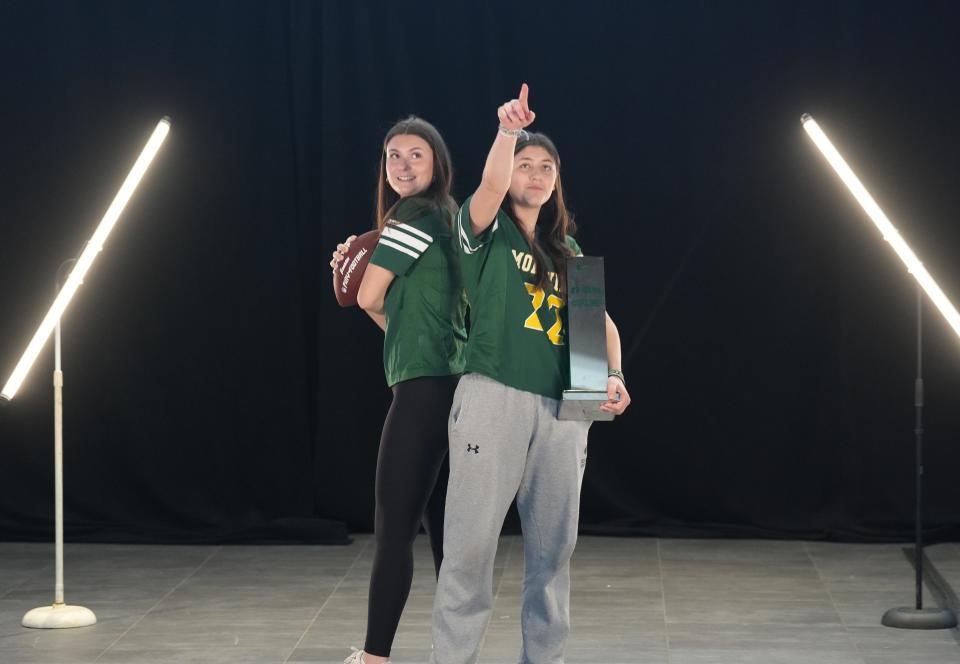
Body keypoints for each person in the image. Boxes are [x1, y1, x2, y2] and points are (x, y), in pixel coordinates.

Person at [429, 85, 631, 664]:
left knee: (553, 555)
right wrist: (508, 131)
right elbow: (490, 185)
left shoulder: (566, 249)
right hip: (493, 396)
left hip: (565, 413)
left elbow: (603, 329)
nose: (536, 174)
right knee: (469, 551)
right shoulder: (484, 230)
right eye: (526, 164)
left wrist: (613, 376)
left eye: (547, 167)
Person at [331, 116, 467, 664]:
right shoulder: (451, 217)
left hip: (423, 392)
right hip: (454, 387)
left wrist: (354, 274)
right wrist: (363, 276)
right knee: (445, 535)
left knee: (393, 528)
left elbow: (366, 298)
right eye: (393, 156)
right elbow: (402, 313)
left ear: (436, 163)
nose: (403, 165)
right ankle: (455, 651)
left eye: (416, 154)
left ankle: (373, 659)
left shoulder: (414, 213)